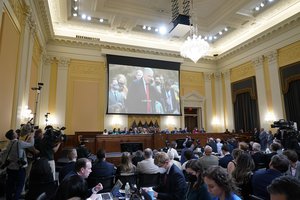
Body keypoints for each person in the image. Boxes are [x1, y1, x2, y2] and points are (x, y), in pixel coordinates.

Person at [2, 129, 34, 200]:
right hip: (19, 168)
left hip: (10, 168)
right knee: (20, 185)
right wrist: (32, 135)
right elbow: (31, 144)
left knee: (10, 186)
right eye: (15, 132)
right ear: (14, 135)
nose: (16, 133)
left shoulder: (9, 143)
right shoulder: (19, 143)